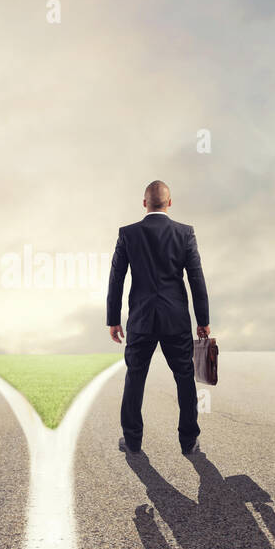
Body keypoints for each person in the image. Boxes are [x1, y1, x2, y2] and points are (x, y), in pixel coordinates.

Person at [106, 180, 210, 455]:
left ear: (144, 203)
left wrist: (113, 319)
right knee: (185, 377)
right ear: (169, 202)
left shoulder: (128, 234)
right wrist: (202, 320)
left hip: (141, 319)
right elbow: (196, 279)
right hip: (175, 319)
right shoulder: (184, 233)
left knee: (135, 377)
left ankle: (132, 441)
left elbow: (116, 278)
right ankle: (188, 442)